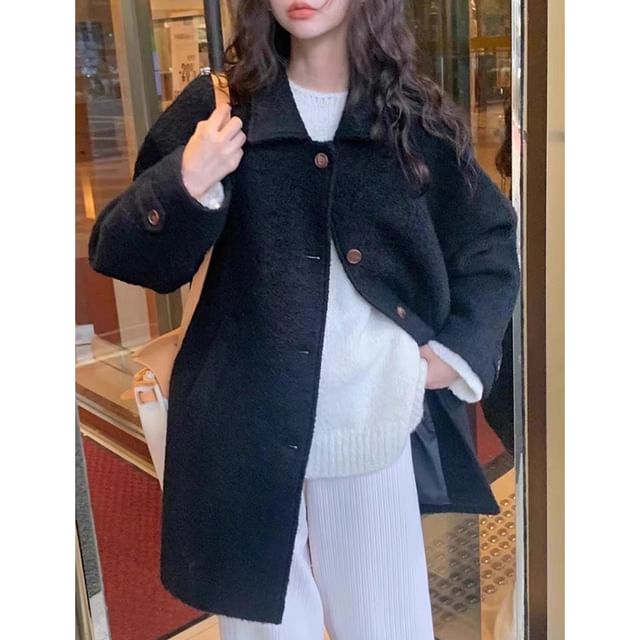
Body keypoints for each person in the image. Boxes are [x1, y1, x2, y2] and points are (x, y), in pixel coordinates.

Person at [88, 1, 521, 638]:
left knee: (386, 624)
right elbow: (121, 251)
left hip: (370, 423)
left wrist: (449, 357)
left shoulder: (410, 113)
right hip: (243, 434)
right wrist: (186, 181)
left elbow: (488, 241)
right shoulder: (221, 107)